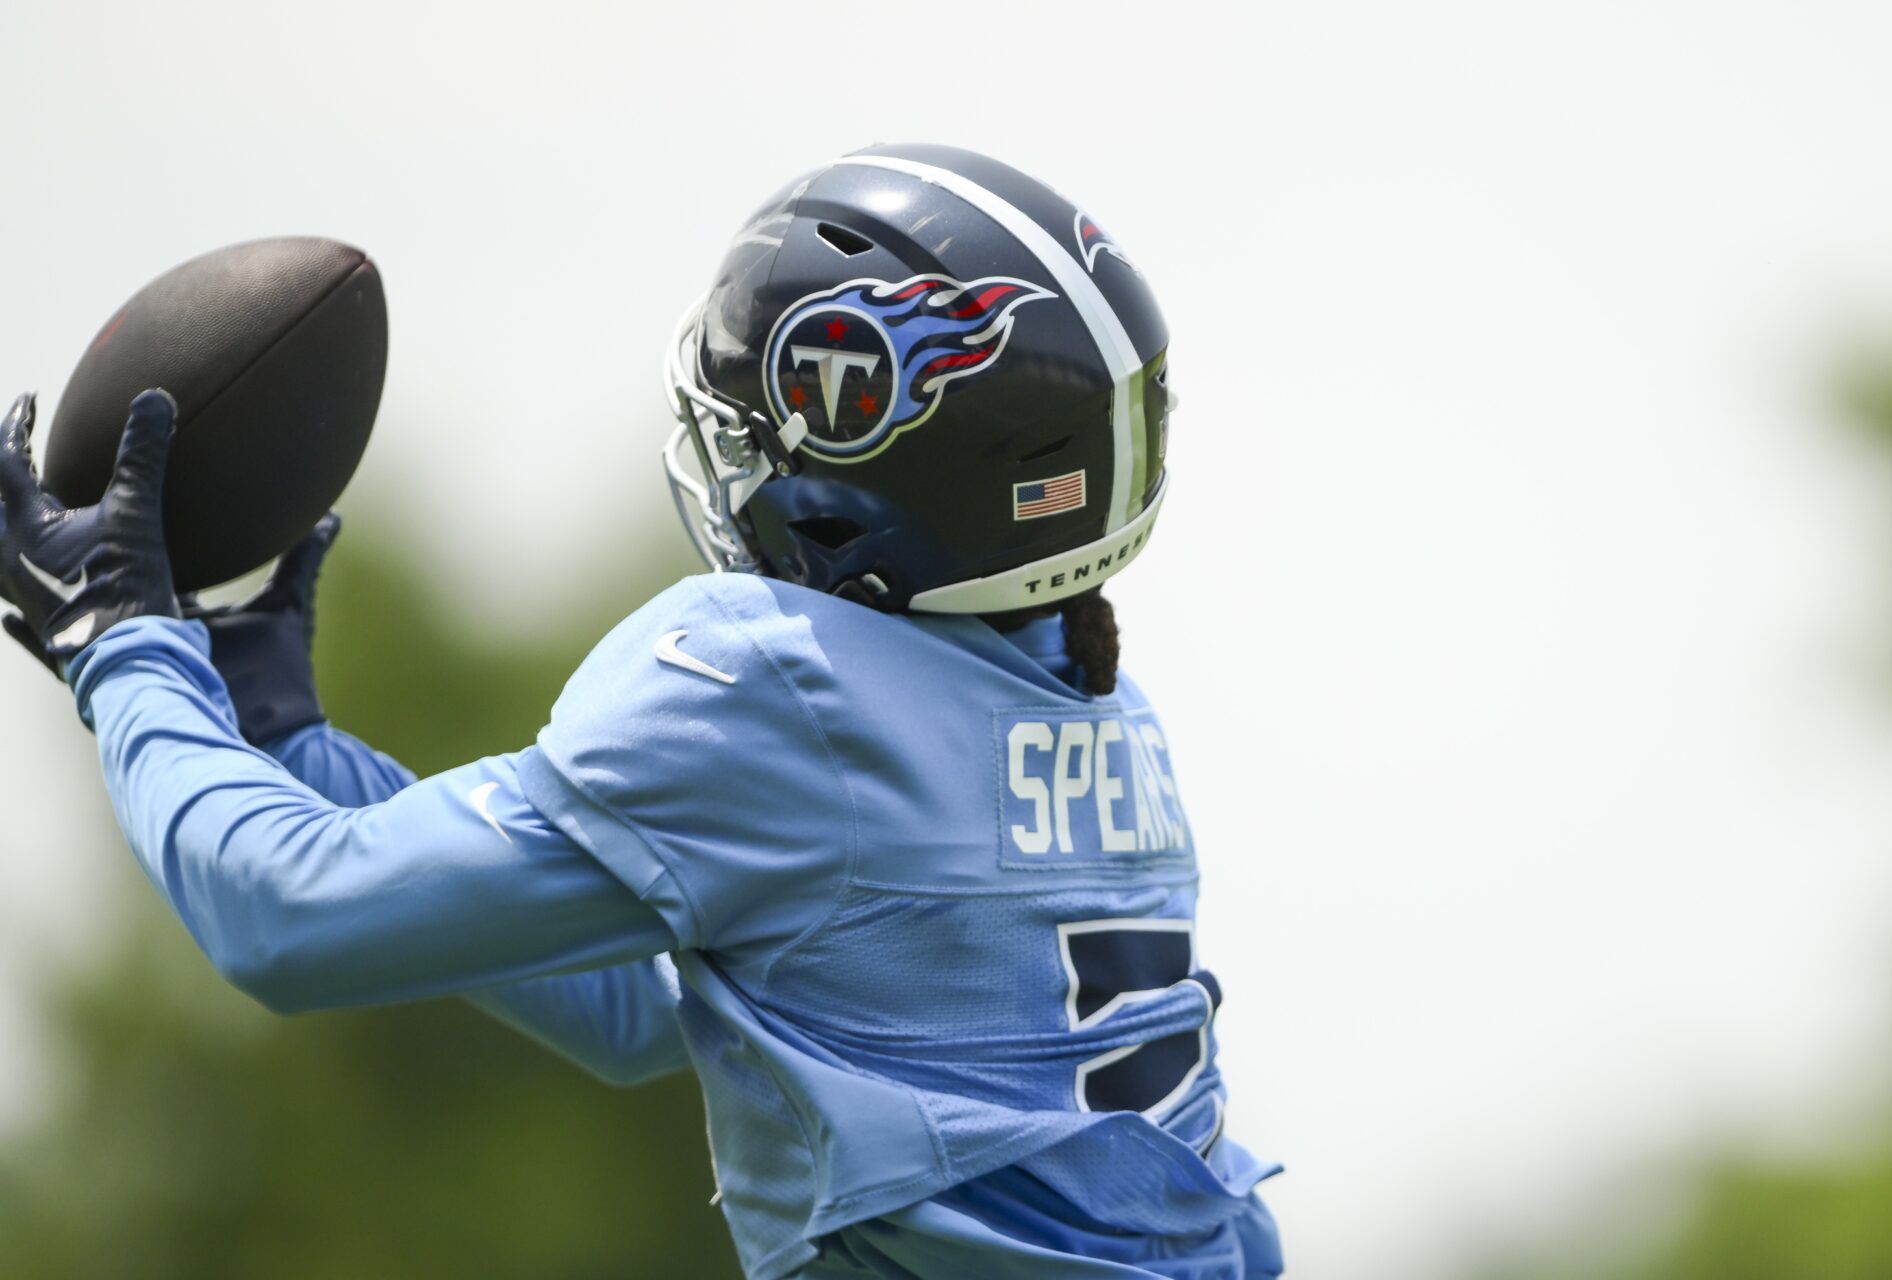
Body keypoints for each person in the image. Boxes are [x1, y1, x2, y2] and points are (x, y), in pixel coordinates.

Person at [0, 144, 1282, 1279]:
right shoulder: (1099, 708)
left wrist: (123, 655)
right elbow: (641, 1009)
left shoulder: (779, 679)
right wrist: (291, 744)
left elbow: (281, 917)